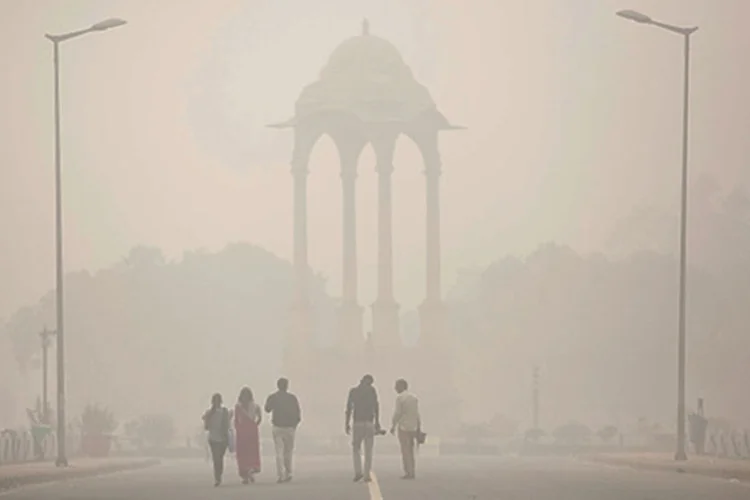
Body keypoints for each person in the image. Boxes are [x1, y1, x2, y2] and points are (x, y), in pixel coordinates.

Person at [264, 377, 301, 483]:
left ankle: (280, 475)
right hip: (289, 428)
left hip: (277, 427)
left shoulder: (273, 397)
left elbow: (267, 409)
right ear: (287, 386)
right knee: (288, 452)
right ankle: (289, 473)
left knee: (279, 452)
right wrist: (295, 424)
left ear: (277, 385)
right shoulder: (292, 398)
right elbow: (298, 413)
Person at [346, 374, 381, 483]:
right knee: (368, 450)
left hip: (357, 422)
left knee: (356, 448)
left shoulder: (353, 391)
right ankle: (367, 474)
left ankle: (358, 472)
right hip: (369, 422)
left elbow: (349, 408)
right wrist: (377, 422)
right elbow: (376, 407)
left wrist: (346, 423)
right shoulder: (372, 391)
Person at [390, 378, 421, 480]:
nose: (395, 388)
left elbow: (398, 413)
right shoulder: (414, 398)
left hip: (403, 427)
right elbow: (417, 414)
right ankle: (412, 471)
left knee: (405, 450)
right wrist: (419, 427)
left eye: (396, 386)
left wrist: (393, 425)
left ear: (401, 387)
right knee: (411, 450)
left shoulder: (400, 398)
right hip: (413, 426)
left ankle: (408, 472)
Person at [202, 393, 230, 486]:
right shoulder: (224, 411)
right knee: (219, 459)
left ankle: (217, 477)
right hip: (222, 439)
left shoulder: (209, 413)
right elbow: (227, 425)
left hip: (213, 438)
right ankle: (218, 476)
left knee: (216, 459)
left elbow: (206, 427)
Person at [235, 386, 262, 483]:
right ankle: (251, 469)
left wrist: (238, 429)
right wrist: (255, 425)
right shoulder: (255, 406)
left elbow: (236, 421)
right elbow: (259, 418)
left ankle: (245, 474)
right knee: (252, 451)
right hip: (252, 431)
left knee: (243, 453)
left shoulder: (238, 406)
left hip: (242, 431)